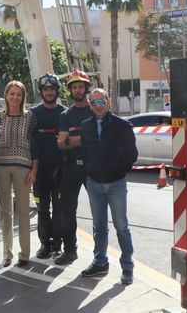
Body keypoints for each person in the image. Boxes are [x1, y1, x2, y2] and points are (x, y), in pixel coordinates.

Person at [80, 88, 138, 285]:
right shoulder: (85, 126)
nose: (98, 105)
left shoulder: (122, 126)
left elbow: (132, 154)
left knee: (121, 226)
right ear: (89, 104)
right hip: (94, 184)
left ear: (108, 100)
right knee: (99, 226)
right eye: (93, 102)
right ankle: (100, 262)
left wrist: (119, 171)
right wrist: (89, 172)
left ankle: (127, 267)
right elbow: (85, 152)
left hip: (116, 183)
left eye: (101, 101)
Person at [0, 81, 38, 268]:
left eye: (19, 94)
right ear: (6, 95)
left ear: (23, 97)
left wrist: (34, 169)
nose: (15, 97)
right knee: (5, 212)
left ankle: (24, 253)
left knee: (24, 211)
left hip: (23, 167)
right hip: (1, 166)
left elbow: (36, 145)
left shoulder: (31, 117)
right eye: (12, 93)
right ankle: (7, 254)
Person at [55, 70, 92, 265]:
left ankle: (99, 256)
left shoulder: (95, 110)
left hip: (92, 168)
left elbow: (99, 140)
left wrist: (72, 139)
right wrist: (85, 139)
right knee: (67, 212)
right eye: (74, 87)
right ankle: (70, 251)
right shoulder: (65, 115)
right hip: (70, 168)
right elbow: (61, 143)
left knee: (99, 213)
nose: (78, 90)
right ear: (70, 90)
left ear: (86, 88)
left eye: (81, 86)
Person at [30, 73, 65, 259]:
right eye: (46, 89)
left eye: (52, 89)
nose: (49, 92)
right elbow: (30, 141)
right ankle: (45, 244)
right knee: (42, 209)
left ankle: (58, 245)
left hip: (60, 171)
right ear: (41, 92)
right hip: (40, 172)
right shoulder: (34, 114)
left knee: (59, 210)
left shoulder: (65, 112)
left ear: (57, 91)